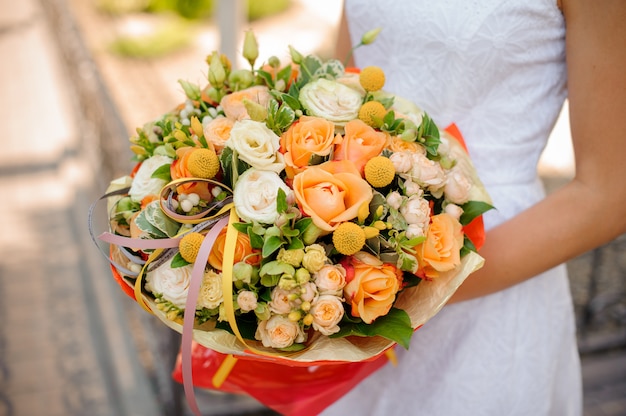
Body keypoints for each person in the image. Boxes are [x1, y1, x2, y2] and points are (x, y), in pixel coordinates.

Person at [323, 1, 626, 415]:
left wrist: (406, 286)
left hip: (492, 266)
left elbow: (607, 195)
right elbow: (342, 90)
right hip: (354, 257)